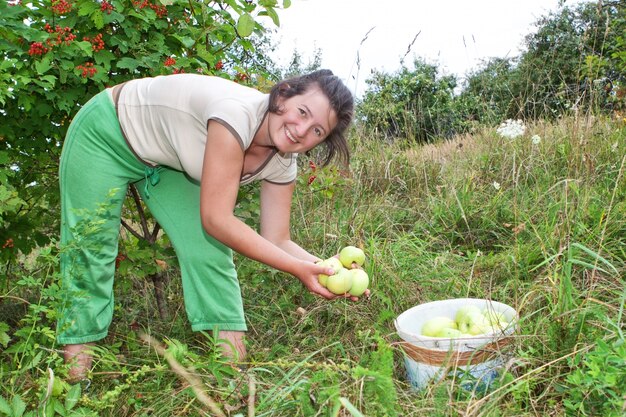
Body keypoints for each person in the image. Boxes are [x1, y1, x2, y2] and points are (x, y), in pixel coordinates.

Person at [57, 69, 362, 383]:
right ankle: (75, 388)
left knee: (210, 252)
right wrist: (298, 270)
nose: (301, 130)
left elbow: (278, 239)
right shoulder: (235, 116)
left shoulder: (283, 162)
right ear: (283, 94)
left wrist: (326, 269)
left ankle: (234, 383)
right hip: (107, 130)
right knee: (90, 252)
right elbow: (216, 220)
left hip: (166, 159)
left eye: (316, 130)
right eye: (302, 112)